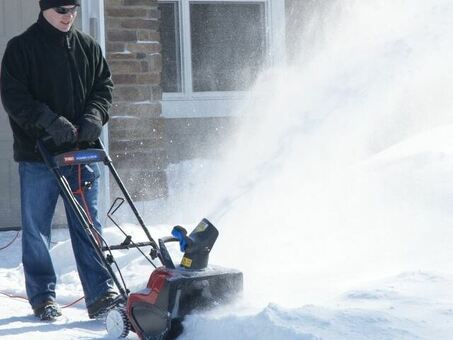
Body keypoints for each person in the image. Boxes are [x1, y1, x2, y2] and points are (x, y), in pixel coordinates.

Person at [0, 0, 118, 321]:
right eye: (61, 11)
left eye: (73, 10)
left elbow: (103, 87)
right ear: (44, 9)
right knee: (37, 229)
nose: (69, 17)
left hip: (83, 153)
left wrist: (95, 115)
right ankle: (42, 297)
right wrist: (50, 122)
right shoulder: (21, 48)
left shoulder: (87, 47)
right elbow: (14, 97)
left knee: (89, 226)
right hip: (39, 156)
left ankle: (101, 293)